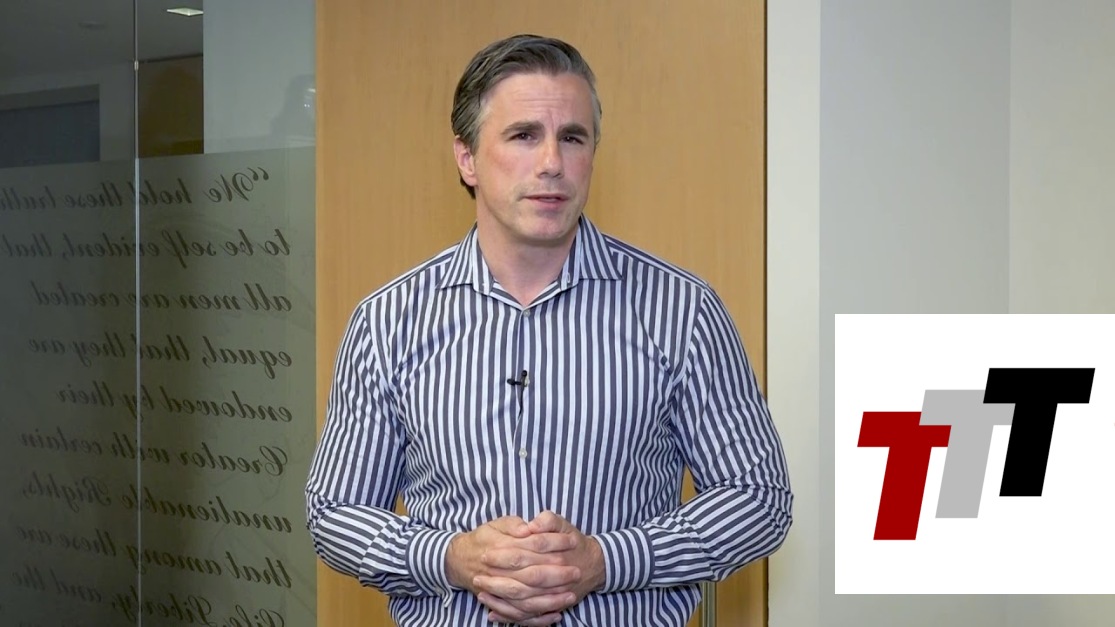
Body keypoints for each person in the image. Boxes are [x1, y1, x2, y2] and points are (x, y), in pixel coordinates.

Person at [305, 33, 793, 627]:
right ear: (466, 158)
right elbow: (335, 512)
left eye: (573, 137)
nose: (552, 163)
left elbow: (758, 499)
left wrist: (605, 561)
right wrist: (454, 557)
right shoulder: (388, 322)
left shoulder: (682, 310)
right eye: (523, 135)